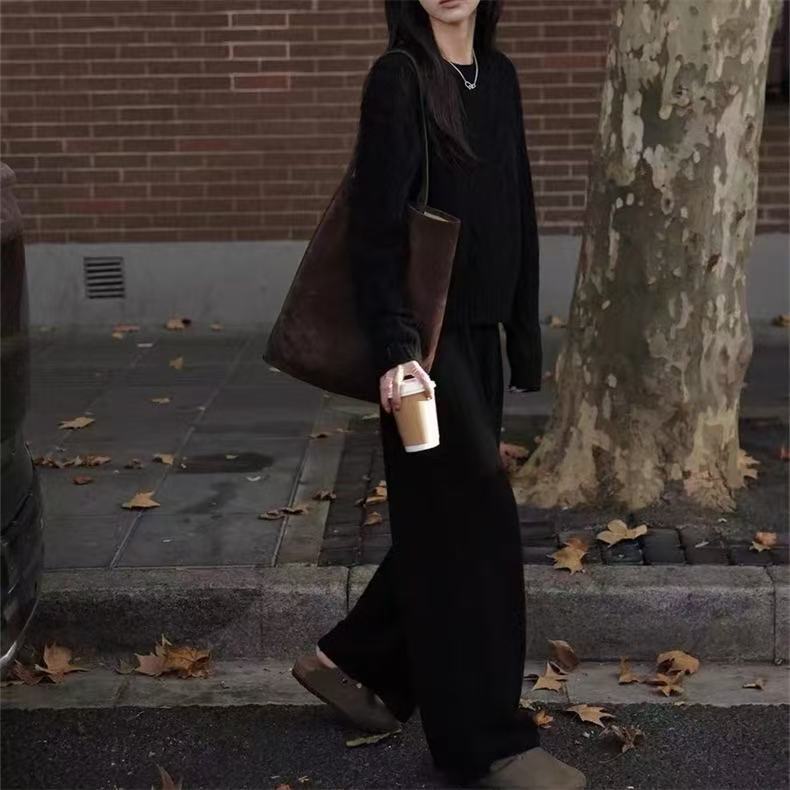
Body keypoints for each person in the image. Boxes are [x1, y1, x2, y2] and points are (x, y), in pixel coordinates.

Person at [291, 1, 585, 788]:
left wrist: (522, 338)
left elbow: (517, 208)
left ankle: (352, 664)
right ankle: (483, 745)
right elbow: (377, 227)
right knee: (480, 533)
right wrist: (396, 352)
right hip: (425, 348)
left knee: (444, 522)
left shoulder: (500, 77)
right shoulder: (400, 79)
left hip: (480, 340)